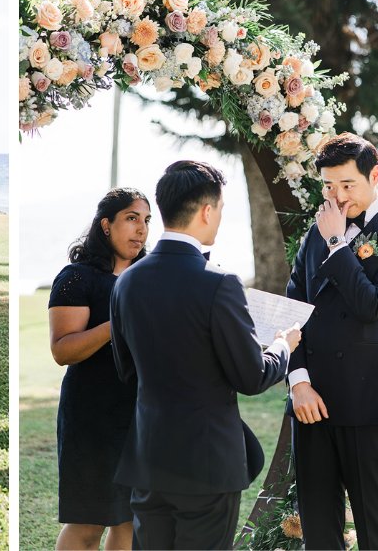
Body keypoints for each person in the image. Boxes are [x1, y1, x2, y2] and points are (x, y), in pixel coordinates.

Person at [110, 160, 300, 551]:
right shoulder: (219, 282)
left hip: (149, 459)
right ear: (206, 211)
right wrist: (282, 344)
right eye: (221, 210)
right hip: (207, 465)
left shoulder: (127, 281)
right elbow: (252, 377)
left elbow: (126, 370)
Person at [286, 133, 378, 550]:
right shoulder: (317, 232)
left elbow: (373, 305)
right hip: (313, 402)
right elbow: (292, 308)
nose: (337, 196)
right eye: (329, 186)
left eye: (348, 185)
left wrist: (336, 242)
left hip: (371, 401)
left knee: (375, 527)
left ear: (375, 176)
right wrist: (298, 381)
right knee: (318, 527)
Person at [48, 187, 152, 551]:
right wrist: (115, 323)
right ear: (106, 225)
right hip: (91, 416)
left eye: (146, 221)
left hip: (141, 415)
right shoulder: (78, 278)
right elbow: (62, 350)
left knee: (130, 522)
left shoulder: (150, 278)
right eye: (131, 218)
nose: (141, 229)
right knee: (88, 523)